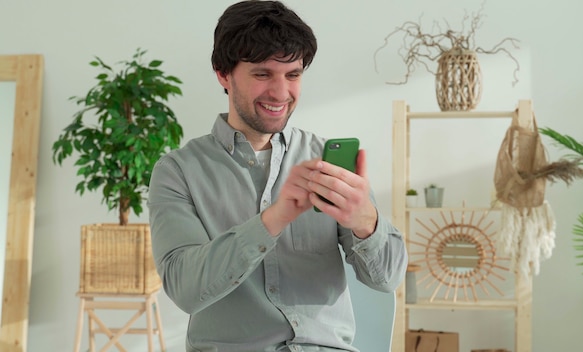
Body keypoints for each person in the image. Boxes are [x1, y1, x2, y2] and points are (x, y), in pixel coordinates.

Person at [148, 1, 408, 351]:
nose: (281, 93)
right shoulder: (178, 172)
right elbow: (184, 289)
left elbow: (387, 279)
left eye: (293, 75)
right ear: (223, 74)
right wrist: (274, 218)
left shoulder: (326, 161)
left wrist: (366, 221)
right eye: (262, 74)